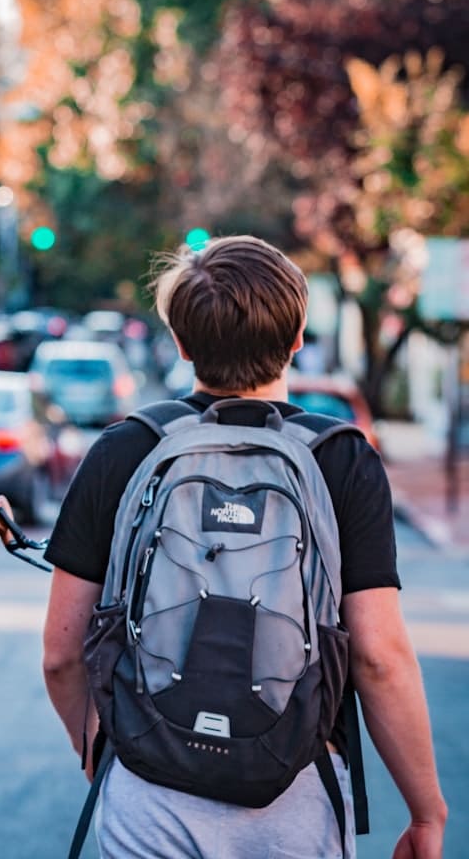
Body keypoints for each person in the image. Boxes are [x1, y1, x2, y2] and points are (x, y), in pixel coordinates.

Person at [42, 235, 447, 858]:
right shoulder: (339, 459)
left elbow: (62, 657)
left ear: (180, 343)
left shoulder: (125, 450)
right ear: (296, 338)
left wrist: (103, 754)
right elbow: (380, 658)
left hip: (151, 793)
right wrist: (426, 812)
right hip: (296, 791)